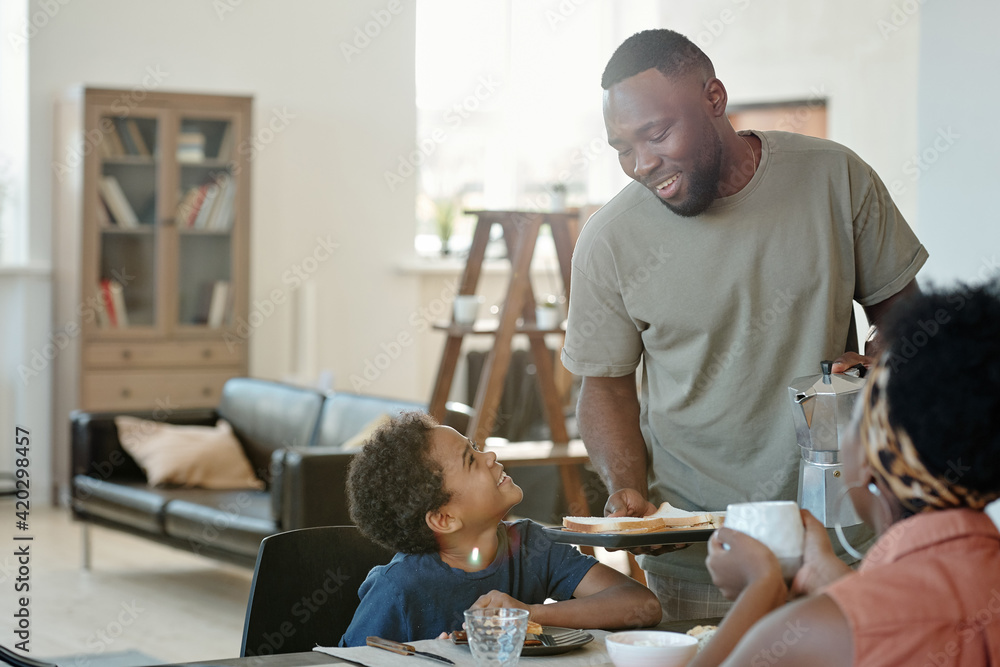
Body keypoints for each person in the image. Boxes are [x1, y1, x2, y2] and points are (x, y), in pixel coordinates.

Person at [560, 28, 928, 620]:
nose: (641, 164)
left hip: (846, 543)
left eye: (655, 134)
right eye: (621, 148)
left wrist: (883, 357)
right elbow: (604, 386)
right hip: (700, 558)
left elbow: (906, 316)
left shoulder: (835, 177)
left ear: (714, 98)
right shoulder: (610, 241)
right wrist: (625, 488)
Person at [689, 281, 1000, 665]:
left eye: (853, 420)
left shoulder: (811, 633)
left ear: (875, 456)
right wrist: (822, 572)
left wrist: (761, 587)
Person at [339, 412, 660, 646]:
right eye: (470, 460)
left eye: (476, 446)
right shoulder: (398, 588)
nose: (490, 456)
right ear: (444, 518)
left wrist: (530, 614)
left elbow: (643, 606)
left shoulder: (532, 545)